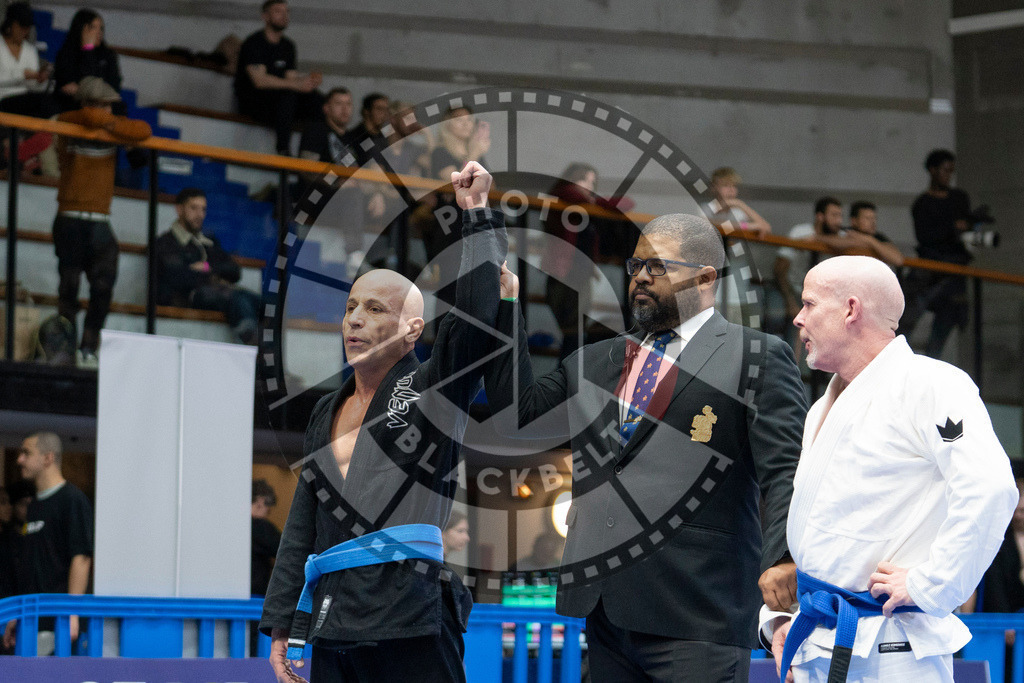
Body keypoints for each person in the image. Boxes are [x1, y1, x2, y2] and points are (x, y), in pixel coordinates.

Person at [486, 213, 808, 681]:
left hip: (699, 608)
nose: (640, 276)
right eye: (636, 265)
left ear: (704, 277)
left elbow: (785, 469)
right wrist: (506, 304)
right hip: (606, 608)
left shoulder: (755, 356)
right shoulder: (598, 358)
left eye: (657, 267)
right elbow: (517, 414)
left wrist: (783, 556)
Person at [259, 161, 506, 682]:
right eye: (350, 307)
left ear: (411, 328)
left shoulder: (436, 389)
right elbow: (303, 516)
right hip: (334, 616)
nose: (354, 320)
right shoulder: (327, 409)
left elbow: (477, 322)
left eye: (373, 309)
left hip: (410, 612)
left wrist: (478, 219)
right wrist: (284, 620)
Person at [764, 255, 1016, 682]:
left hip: (890, 647)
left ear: (850, 309)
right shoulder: (823, 406)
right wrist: (784, 619)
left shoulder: (930, 384)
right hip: (822, 638)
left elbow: (991, 488)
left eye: (808, 304)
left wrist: (932, 584)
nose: (797, 318)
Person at [53, 76, 151, 367]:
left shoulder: (111, 128)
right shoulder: (69, 121)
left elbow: (143, 130)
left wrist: (113, 126)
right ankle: (66, 348)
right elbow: (84, 116)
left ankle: (89, 345)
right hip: (70, 218)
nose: (109, 112)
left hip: (98, 220)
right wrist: (114, 125)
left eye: (110, 107)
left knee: (103, 285)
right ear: (89, 103)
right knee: (68, 288)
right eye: (104, 106)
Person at [3, 433, 94, 655]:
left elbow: (81, 558)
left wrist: (71, 614)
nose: (19, 460)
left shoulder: (72, 500)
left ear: (47, 458)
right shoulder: (34, 507)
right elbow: (30, 566)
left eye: (27, 453)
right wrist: (17, 614)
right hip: (32, 619)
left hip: (59, 622)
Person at [540, 162, 634, 358]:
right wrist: (593, 201)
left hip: (580, 274)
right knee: (573, 332)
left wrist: (593, 202)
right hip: (563, 273)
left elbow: (627, 203)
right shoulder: (564, 196)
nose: (588, 186)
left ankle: (568, 378)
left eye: (592, 182)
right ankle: (567, 379)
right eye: (583, 179)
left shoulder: (586, 206)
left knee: (576, 332)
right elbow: (570, 193)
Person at [154, 188, 261, 345]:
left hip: (220, 293)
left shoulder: (210, 243)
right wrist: (213, 272)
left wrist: (206, 268)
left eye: (203, 209)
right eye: (194, 208)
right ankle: (258, 353)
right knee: (237, 299)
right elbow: (176, 278)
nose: (200, 214)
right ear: (179, 209)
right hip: (190, 298)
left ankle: (271, 356)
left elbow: (235, 271)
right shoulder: (166, 242)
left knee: (270, 305)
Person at [897, 149, 974, 359]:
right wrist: (953, 228)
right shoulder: (923, 204)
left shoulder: (959, 198)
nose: (949, 175)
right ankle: (899, 363)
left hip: (954, 272)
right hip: (930, 270)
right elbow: (926, 237)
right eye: (945, 170)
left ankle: (929, 366)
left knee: (943, 328)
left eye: (951, 171)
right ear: (933, 170)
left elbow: (966, 229)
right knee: (907, 321)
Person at [234, 0, 323, 155]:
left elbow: (292, 79)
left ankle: (312, 153)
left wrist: (307, 81)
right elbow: (259, 81)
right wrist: (294, 85)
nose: (284, 15)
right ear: (265, 16)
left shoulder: (288, 46)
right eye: (278, 11)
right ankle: (283, 150)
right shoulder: (254, 43)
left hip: (280, 100)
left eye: (286, 11)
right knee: (288, 96)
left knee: (318, 100)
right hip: (255, 101)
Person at [52, 8, 121, 113]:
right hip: (73, 106)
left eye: (101, 28)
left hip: (103, 104)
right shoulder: (67, 53)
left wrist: (85, 90)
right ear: (81, 29)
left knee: (118, 107)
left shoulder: (108, 55)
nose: (99, 32)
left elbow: (114, 87)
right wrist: (87, 49)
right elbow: (68, 85)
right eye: (93, 27)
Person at [0, 2, 55, 118]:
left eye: (27, 27)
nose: (24, 31)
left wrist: (39, 79)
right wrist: (22, 74)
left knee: (49, 102)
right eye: (21, 26)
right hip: (3, 98)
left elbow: (32, 86)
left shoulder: (30, 50)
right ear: (10, 24)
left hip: (24, 100)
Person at [708, 166, 771, 236]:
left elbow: (766, 227)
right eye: (725, 185)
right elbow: (708, 223)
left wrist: (740, 204)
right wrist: (747, 226)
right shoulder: (706, 208)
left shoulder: (738, 211)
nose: (731, 190)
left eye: (734, 186)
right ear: (714, 187)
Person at [847, 200, 903, 268]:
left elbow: (898, 260)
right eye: (867, 218)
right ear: (854, 221)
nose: (873, 222)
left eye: (874, 218)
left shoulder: (878, 237)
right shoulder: (846, 233)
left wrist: (870, 240)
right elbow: (833, 240)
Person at [252, 479, 282, 597]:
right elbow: (285, 551)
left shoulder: (233, 525)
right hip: (255, 596)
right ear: (260, 501)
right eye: (268, 509)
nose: (268, 513)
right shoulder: (261, 527)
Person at [345, 92, 389, 167]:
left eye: (386, 110)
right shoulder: (354, 138)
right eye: (379, 109)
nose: (384, 113)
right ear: (367, 111)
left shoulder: (384, 139)